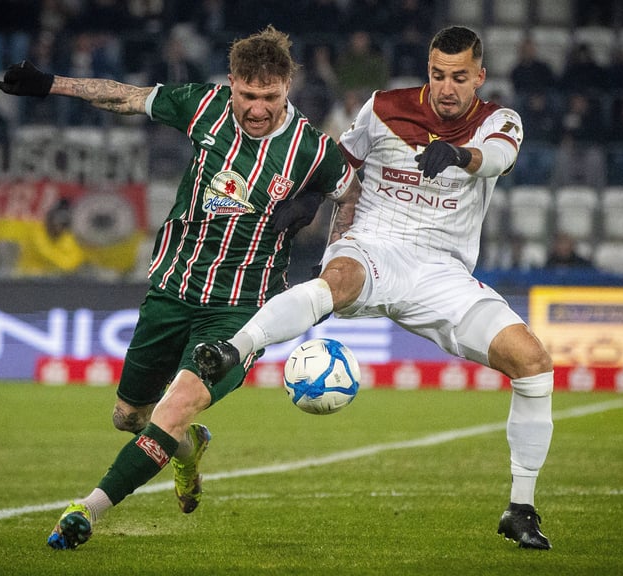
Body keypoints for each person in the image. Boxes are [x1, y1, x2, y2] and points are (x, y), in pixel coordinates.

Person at [0, 25, 356, 550]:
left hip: (241, 311)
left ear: (288, 89)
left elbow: (351, 193)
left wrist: (318, 224)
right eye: (248, 96)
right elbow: (128, 97)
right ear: (231, 83)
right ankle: (189, 451)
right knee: (129, 417)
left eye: (270, 98)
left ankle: (87, 511)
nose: (258, 108)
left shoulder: (313, 149)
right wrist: (51, 84)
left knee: (177, 405)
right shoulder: (204, 105)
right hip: (173, 288)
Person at [194, 26, 554, 550]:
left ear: (480, 76)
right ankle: (233, 349)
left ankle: (520, 509)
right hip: (374, 244)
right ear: (426, 71)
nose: (446, 88)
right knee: (335, 281)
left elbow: (497, 157)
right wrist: (312, 201)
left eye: (458, 77)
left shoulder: (500, 121)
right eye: (437, 75)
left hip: (443, 272)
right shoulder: (384, 107)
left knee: (534, 363)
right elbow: (341, 162)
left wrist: (458, 156)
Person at [16, 198, 87, 276]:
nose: (59, 226)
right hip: (27, 281)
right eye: (56, 219)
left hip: (55, 283)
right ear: (49, 218)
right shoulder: (36, 232)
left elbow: (69, 264)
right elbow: (46, 253)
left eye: (63, 222)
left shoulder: (70, 237)